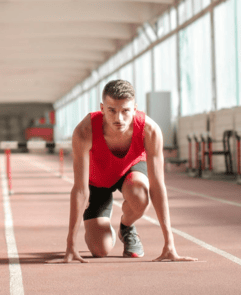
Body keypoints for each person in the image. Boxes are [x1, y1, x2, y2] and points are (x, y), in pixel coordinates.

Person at [62, 80, 197, 263]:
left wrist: (169, 243)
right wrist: (70, 244)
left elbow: (157, 187)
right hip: (98, 181)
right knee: (99, 250)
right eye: (112, 110)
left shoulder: (150, 131)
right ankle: (101, 226)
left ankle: (126, 227)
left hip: (130, 171)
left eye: (125, 111)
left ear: (134, 108)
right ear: (102, 108)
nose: (119, 119)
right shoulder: (84, 132)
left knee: (140, 194)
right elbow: (79, 189)